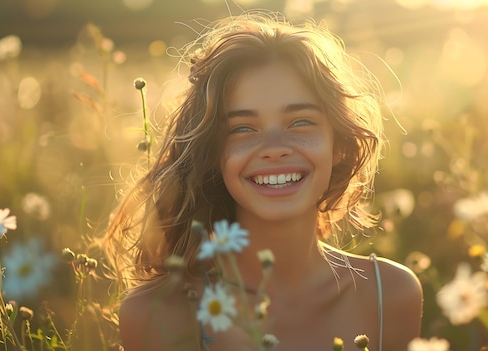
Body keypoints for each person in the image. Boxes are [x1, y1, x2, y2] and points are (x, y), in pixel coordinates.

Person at [105, 10, 422, 351]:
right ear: (212, 153)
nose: (274, 149)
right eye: (242, 128)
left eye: (300, 122)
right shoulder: (156, 313)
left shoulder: (390, 294)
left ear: (339, 146)